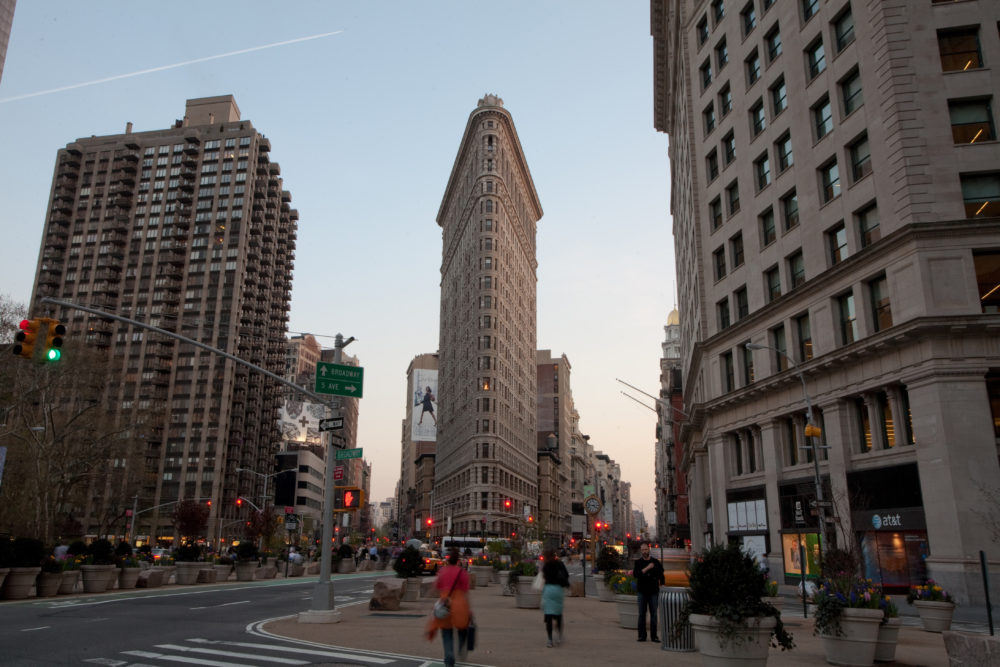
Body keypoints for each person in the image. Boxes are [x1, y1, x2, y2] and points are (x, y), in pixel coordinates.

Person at [426, 548, 472, 667]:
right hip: (460, 604)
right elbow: (466, 591)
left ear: (448, 559)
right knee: (463, 629)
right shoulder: (462, 573)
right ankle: (461, 646)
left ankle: (449, 657)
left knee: (446, 634)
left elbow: (436, 587)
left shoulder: (443, 571)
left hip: (445, 604)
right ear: (458, 561)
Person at [632, 541, 664, 643]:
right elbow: (636, 575)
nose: (644, 551)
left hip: (653, 591)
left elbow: (661, 574)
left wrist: (662, 584)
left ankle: (654, 636)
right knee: (642, 614)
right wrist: (647, 568)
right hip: (642, 591)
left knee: (654, 614)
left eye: (645, 549)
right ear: (641, 551)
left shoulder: (656, 562)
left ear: (649, 549)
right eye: (642, 550)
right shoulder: (638, 563)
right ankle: (642, 636)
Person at [541, 549, 570, 647]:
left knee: (548, 616)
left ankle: (550, 639)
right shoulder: (560, 564)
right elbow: (566, 575)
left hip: (548, 590)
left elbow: (544, 577)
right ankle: (559, 636)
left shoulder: (546, 565)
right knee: (558, 615)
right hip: (558, 590)